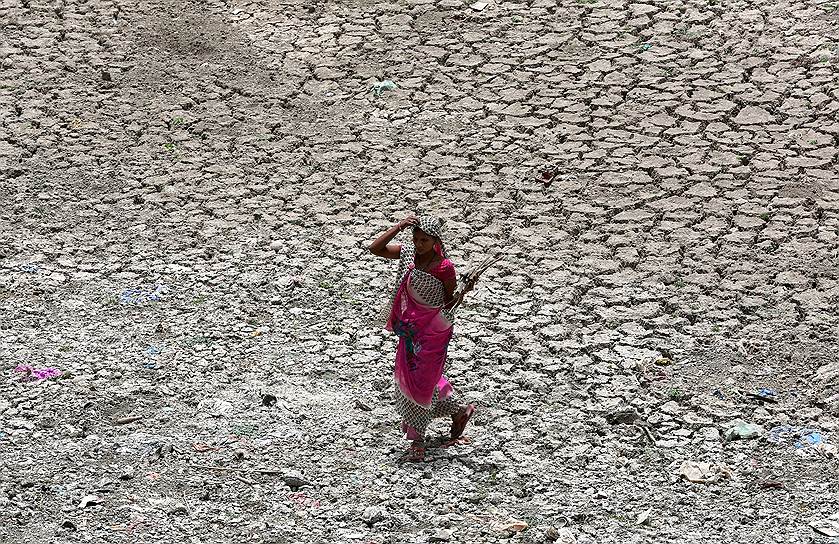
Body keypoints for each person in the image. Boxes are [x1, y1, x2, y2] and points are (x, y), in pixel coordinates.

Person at [369, 215, 476, 462]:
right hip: (410, 329)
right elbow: (376, 249)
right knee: (417, 377)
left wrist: (464, 292)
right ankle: (459, 411)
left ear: (435, 240)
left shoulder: (444, 267)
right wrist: (399, 226)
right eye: (416, 238)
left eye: (424, 240)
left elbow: (449, 301)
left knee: (422, 380)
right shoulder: (408, 255)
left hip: (433, 331)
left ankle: (418, 441)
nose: (419, 244)